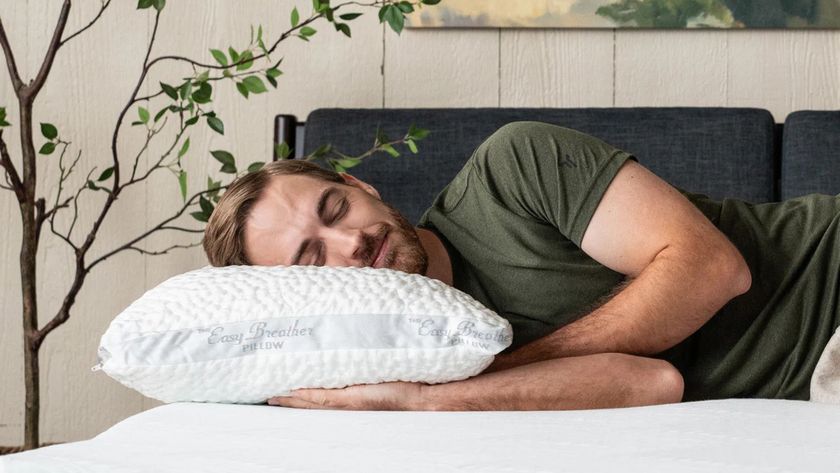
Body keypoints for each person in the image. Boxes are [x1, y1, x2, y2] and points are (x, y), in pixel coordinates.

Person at [202, 121, 840, 411]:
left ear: (359, 184)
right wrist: (420, 403)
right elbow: (651, 383)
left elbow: (713, 269)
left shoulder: (511, 170)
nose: (351, 243)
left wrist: (467, 384)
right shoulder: (367, 364)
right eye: (313, 256)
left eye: (336, 209)